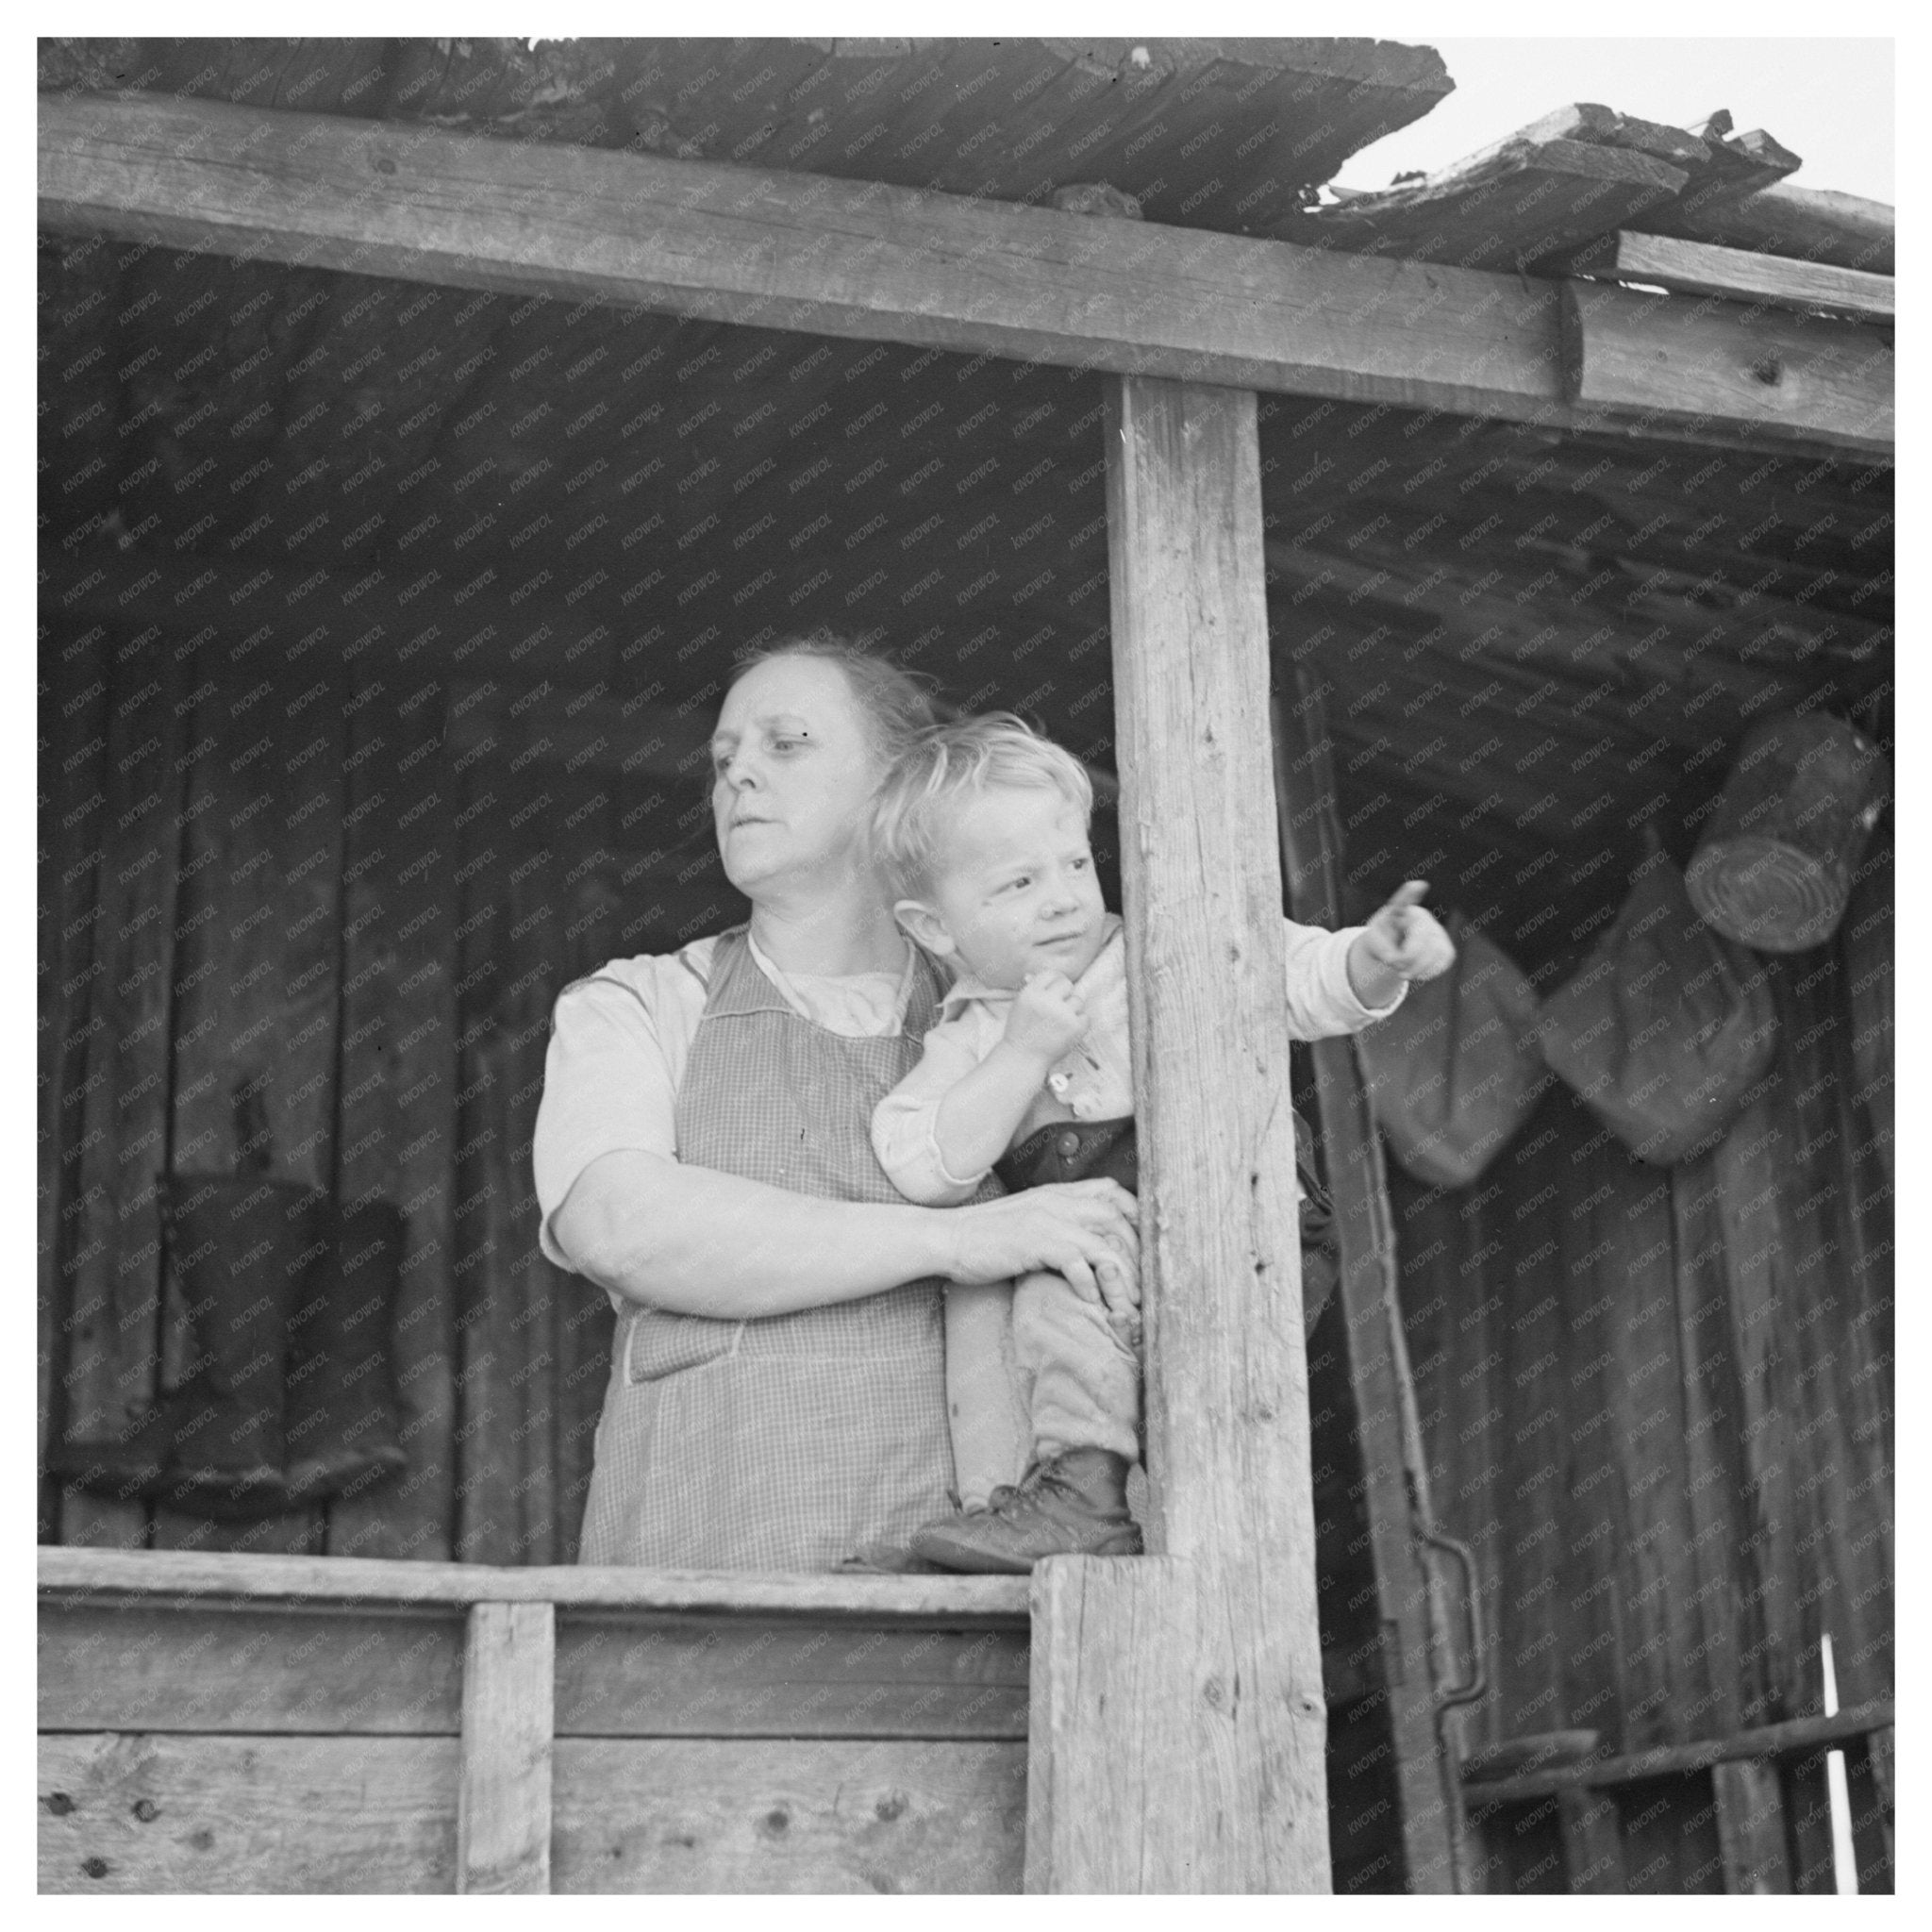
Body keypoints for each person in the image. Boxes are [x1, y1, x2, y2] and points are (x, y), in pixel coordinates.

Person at [531, 639, 1140, 1572]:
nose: (736, 771)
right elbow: (616, 1221)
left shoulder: (1026, 1013)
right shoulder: (637, 1003)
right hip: (701, 1587)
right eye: (724, 756)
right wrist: (957, 1240)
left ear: (893, 781)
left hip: (1003, 1621)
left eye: (786, 742)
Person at [868, 714, 1456, 1573]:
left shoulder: (1167, 945)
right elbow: (925, 1163)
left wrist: (1379, 959)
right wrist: (1023, 1051)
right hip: (1115, 1265)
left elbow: (1309, 982)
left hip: (1248, 1223)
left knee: (1225, 1416)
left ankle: (1228, 1553)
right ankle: (1083, 1500)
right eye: (1019, 882)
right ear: (934, 929)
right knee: (1049, 1302)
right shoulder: (971, 1035)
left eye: (1075, 863)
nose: (1066, 896)